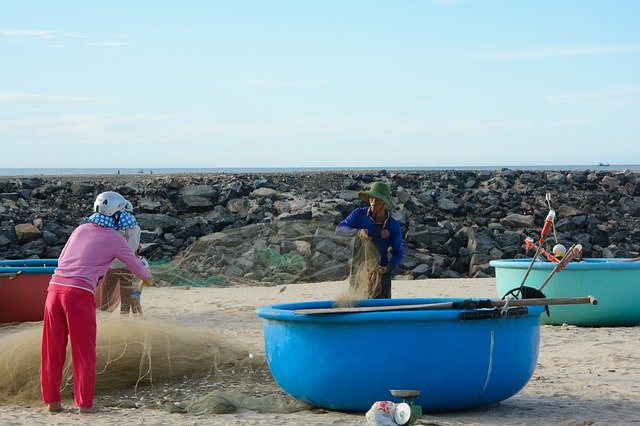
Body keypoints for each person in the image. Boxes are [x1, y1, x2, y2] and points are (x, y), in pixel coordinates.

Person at [41, 191, 151, 414]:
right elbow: (137, 268)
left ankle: (52, 403)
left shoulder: (80, 229)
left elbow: (62, 259)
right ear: (117, 214)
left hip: (53, 291)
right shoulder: (114, 238)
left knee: (52, 350)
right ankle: (84, 405)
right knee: (84, 351)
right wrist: (148, 276)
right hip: (78, 295)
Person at [336, 181, 404, 298]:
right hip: (359, 271)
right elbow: (339, 229)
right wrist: (358, 232)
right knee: (357, 307)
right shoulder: (358, 214)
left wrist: (387, 268)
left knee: (382, 311)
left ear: (385, 203)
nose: (373, 203)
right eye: (372, 198)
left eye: (378, 200)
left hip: (381, 274)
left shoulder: (393, 225)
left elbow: (398, 254)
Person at [98, 200, 143, 316]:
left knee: (106, 299)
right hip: (128, 267)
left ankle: (104, 322)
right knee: (126, 301)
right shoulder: (137, 228)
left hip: (112, 266)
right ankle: (124, 323)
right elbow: (136, 248)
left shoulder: (112, 229)